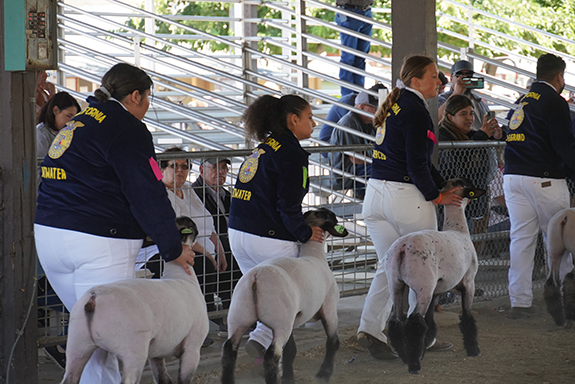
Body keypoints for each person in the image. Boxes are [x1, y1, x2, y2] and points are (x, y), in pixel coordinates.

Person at [34, 63, 195, 384]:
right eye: (148, 98)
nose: (148, 107)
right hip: (97, 241)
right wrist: (173, 248)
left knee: (94, 335)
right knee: (108, 344)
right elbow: (148, 193)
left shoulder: (77, 122)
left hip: (50, 237)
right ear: (135, 96)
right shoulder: (127, 128)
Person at [356, 55, 463, 360]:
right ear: (416, 81)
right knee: (422, 271)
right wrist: (436, 196)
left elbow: (417, 159)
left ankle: (370, 329)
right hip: (406, 198)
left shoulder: (397, 104)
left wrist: (440, 184)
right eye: (434, 76)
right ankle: (422, 338)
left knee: (388, 267)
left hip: (377, 194)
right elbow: (417, 164)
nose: (440, 82)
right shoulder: (415, 110)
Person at [228, 94, 324, 359]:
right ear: (294, 120)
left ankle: (262, 349)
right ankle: (262, 343)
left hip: (238, 234)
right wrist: (305, 233)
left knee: (264, 298)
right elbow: (288, 205)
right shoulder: (293, 153)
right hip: (267, 238)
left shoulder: (264, 147)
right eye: (309, 117)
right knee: (290, 300)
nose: (314, 123)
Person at [503, 53, 575, 319]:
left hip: (513, 178)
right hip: (544, 179)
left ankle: (519, 302)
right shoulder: (553, 102)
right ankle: (568, 302)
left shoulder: (521, 100)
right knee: (561, 243)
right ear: (559, 76)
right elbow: (564, 145)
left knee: (521, 240)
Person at [35, 91, 80, 369]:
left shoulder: (68, 135)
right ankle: (54, 341)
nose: (70, 122)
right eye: (68, 116)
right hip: (46, 209)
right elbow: (42, 167)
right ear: (55, 112)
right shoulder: (42, 135)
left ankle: (62, 340)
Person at [192, 157, 240, 312]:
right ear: (201, 170)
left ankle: (236, 310)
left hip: (227, 240)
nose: (220, 172)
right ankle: (227, 312)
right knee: (230, 250)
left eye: (224, 168)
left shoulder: (226, 195)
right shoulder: (194, 193)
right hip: (209, 242)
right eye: (214, 167)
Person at [329, 90, 378, 199]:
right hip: (346, 173)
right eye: (374, 108)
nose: (377, 112)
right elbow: (355, 159)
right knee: (383, 169)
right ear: (361, 107)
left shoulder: (368, 122)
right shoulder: (348, 123)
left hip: (359, 169)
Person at [318, 83, 387, 143]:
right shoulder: (348, 109)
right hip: (329, 143)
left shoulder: (360, 104)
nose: (381, 112)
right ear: (361, 107)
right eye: (376, 109)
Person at [438, 60, 491, 131]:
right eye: (459, 75)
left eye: (469, 75)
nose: (465, 79)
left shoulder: (478, 101)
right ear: (451, 79)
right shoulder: (442, 98)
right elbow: (437, 120)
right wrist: (456, 94)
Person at [335, 0, 374, 95]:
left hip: (366, 10)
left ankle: (358, 96)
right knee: (348, 58)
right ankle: (348, 98)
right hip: (349, 10)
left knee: (360, 59)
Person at [37, 92, 81, 160]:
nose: (71, 122)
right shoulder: (41, 134)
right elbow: (39, 166)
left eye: (74, 118)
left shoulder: (72, 133)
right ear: (56, 110)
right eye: (68, 116)